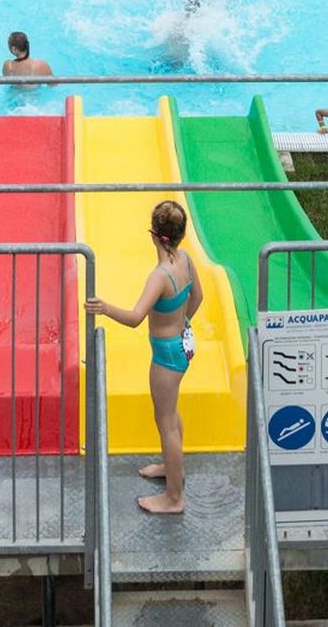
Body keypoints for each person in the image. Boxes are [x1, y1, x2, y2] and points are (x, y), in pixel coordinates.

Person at [86, 200, 204, 516]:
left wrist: (105, 308)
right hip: (180, 345)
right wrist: (184, 322)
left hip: (166, 356)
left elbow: (137, 316)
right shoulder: (187, 261)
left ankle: (174, 498)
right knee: (171, 413)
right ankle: (171, 465)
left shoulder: (160, 276)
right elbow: (198, 297)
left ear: (153, 234)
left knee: (165, 422)